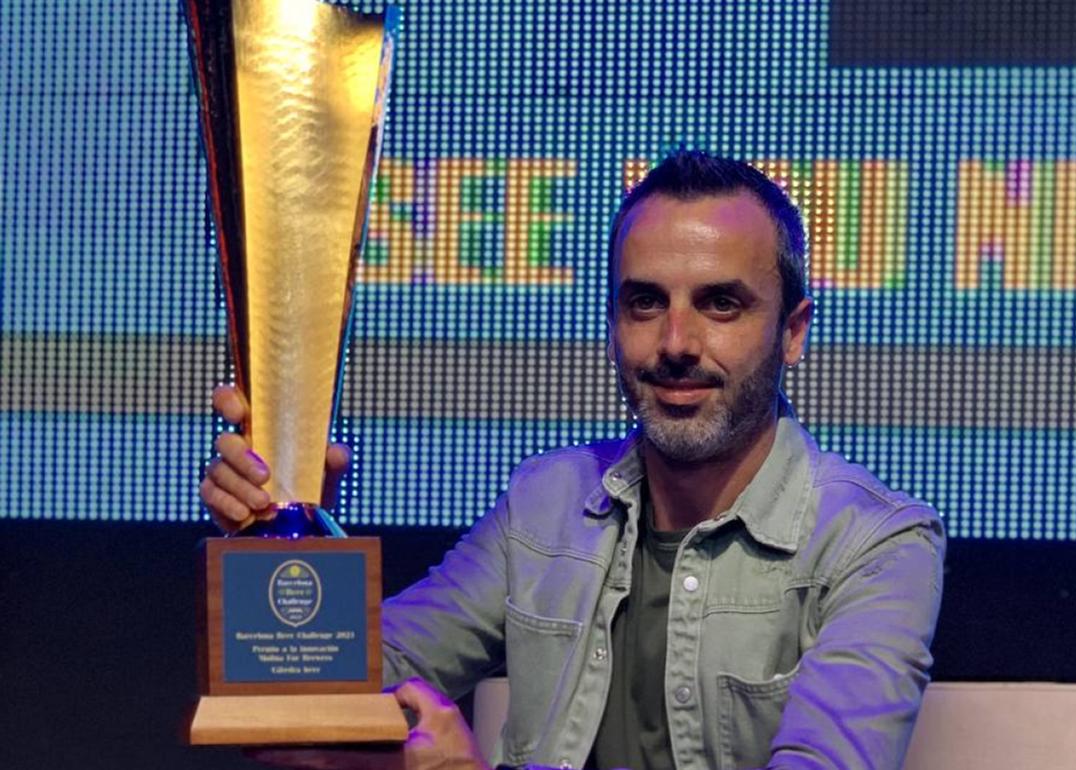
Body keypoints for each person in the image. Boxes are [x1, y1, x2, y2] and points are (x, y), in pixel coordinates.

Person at [202, 150, 946, 770]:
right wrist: (285, 533)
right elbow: (298, 722)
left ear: (791, 333)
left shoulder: (877, 544)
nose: (677, 342)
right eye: (645, 303)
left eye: (720, 304)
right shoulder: (546, 503)